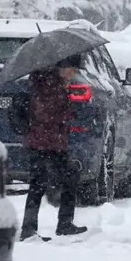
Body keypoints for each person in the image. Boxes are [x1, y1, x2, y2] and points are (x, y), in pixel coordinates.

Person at [20, 55, 88, 240]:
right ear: (62, 67)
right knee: (41, 183)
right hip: (44, 143)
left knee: (57, 180)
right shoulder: (49, 85)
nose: (73, 73)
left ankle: (57, 224)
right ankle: (33, 228)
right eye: (72, 68)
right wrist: (66, 113)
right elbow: (45, 114)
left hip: (49, 142)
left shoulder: (50, 83)